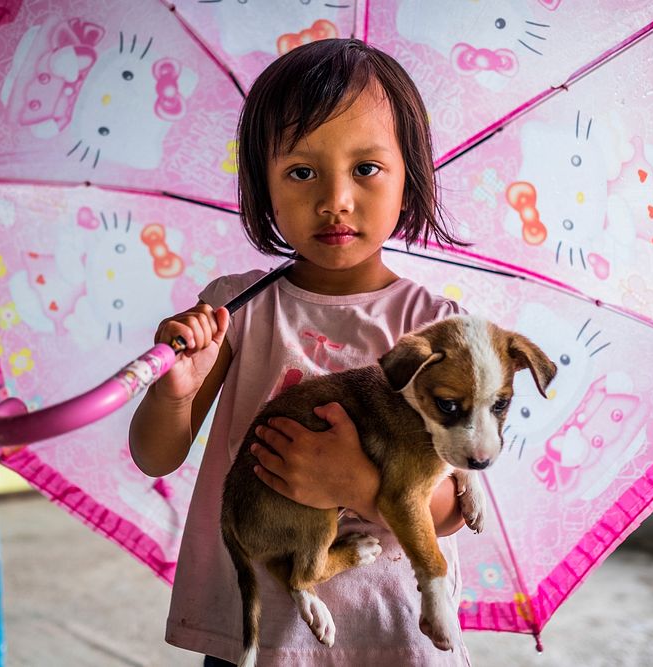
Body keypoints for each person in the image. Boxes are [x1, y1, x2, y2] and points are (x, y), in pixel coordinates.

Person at [129, 38, 472, 666]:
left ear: (409, 176)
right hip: (256, 633)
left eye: (366, 169)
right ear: (263, 184)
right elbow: (156, 454)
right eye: (301, 171)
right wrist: (171, 391)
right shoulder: (234, 310)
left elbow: (450, 509)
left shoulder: (434, 327)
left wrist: (359, 485)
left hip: (391, 629)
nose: (335, 199)